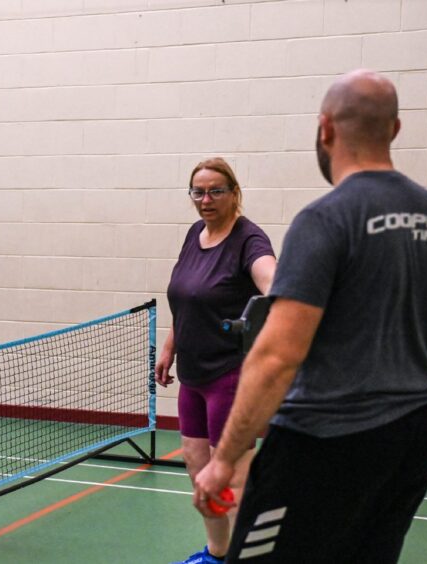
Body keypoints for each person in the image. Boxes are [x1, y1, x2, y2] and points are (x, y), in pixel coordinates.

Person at [194, 69, 427, 563]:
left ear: (325, 129)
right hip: (412, 440)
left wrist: (224, 461)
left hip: (325, 445)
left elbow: (277, 356)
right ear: (396, 129)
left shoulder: (326, 219)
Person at [156, 157, 276, 564]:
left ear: (234, 193)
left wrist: (279, 288)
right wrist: (170, 346)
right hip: (192, 376)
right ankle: (218, 552)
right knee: (197, 468)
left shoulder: (249, 240)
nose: (205, 199)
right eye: (198, 191)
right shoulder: (195, 234)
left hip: (230, 376)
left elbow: (270, 279)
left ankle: (245, 557)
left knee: (234, 477)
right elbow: (186, 296)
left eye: (215, 191)